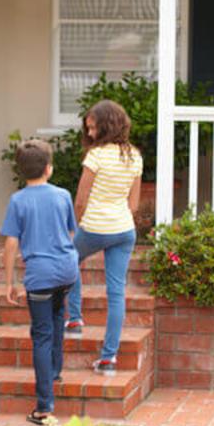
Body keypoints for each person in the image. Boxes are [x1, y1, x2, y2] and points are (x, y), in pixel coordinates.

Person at [0, 140, 79, 426]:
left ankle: (44, 406)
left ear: (22, 171)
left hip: (40, 276)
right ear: (49, 168)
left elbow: (11, 242)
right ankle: (54, 371)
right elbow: (71, 232)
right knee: (58, 318)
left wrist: (10, 282)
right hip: (67, 271)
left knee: (42, 334)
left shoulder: (18, 200)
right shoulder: (62, 195)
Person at [65, 99, 143, 376]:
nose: (91, 134)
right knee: (117, 292)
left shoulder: (96, 156)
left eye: (94, 128)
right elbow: (133, 204)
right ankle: (109, 358)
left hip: (95, 227)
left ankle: (74, 318)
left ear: (107, 126)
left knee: (69, 261)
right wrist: (120, 220)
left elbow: (80, 199)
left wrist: (75, 226)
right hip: (124, 230)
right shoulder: (134, 156)